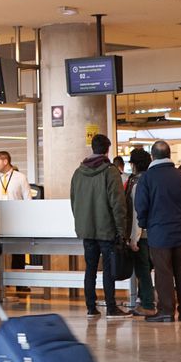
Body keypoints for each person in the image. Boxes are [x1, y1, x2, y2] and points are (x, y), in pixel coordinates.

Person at [135, 141, 181, 323]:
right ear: (169, 154)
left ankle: (166, 311)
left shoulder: (147, 178)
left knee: (163, 272)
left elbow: (141, 206)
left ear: (152, 156)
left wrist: (144, 224)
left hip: (159, 232)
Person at [71, 133, 129, 319]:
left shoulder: (78, 172)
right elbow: (118, 203)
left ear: (92, 148)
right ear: (107, 149)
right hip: (107, 229)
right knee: (108, 269)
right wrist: (121, 229)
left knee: (90, 268)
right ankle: (111, 308)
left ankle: (91, 307)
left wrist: (81, 222)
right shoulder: (110, 171)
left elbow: (74, 201)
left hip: (87, 230)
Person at [125, 147, 156, 316]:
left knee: (142, 270)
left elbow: (137, 212)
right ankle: (146, 301)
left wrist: (134, 238)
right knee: (152, 268)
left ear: (134, 164)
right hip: (156, 233)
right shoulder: (153, 179)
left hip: (142, 234)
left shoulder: (137, 183)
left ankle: (147, 304)